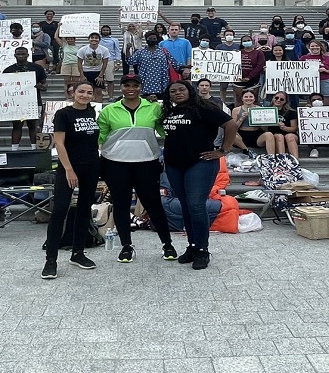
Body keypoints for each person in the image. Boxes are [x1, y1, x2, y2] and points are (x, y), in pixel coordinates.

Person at [96, 74, 178, 263]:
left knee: (154, 205)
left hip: (147, 162)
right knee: (121, 205)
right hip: (115, 163)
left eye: (135, 85)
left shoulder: (154, 108)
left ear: (141, 87)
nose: (130, 88)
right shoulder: (109, 110)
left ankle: (167, 244)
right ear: (121, 88)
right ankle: (126, 246)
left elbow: (167, 130)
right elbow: (99, 137)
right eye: (126, 85)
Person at [161, 81, 238, 270]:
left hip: (200, 162)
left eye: (181, 89)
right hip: (174, 164)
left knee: (196, 205)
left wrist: (223, 150)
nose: (177, 93)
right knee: (185, 205)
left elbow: (231, 124)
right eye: (173, 91)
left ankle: (203, 249)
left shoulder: (204, 107)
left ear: (190, 90)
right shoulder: (169, 111)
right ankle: (192, 246)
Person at [42, 81, 103, 280]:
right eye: (81, 92)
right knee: (59, 211)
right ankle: (51, 260)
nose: (85, 95)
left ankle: (78, 253)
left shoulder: (92, 113)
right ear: (73, 93)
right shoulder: (64, 114)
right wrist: (69, 169)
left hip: (91, 167)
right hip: (69, 168)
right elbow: (58, 143)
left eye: (89, 92)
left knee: (84, 209)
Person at [3, 47, 47, 150]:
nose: (21, 56)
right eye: (19, 54)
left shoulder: (37, 68)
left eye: (23, 54)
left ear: (28, 55)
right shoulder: (8, 70)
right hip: (16, 102)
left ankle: (34, 148)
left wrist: (42, 87)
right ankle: (14, 149)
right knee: (17, 125)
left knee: (33, 125)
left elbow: (44, 82)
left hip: (34, 100)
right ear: (15, 55)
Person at [129, 33, 177, 100]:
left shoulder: (163, 51)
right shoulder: (140, 52)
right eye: (150, 39)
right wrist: (127, 50)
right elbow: (130, 61)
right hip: (145, 83)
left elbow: (174, 62)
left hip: (162, 82)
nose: (152, 40)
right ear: (146, 40)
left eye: (154, 39)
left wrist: (184, 68)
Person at [259, 91, 300, 158]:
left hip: (289, 135)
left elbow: (294, 128)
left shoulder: (291, 112)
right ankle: (281, 159)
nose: (278, 100)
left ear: (285, 101)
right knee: (279, 136)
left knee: (289, 136)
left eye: (282, 99)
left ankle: (296, 161)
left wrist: (284, 127)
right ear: (273, 98)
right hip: (274, 135)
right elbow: (263, 129)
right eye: (276, 98)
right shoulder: (266, 111)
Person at [77, 33, 111, 102]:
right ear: (89, 39)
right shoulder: (82, 50)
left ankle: (98, 106)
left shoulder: (104, 50)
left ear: (99, 40)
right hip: (86, 72)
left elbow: (105, 63)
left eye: (96, 38)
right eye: (92, 37)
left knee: (98, 91)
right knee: (87, 91)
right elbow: (79, 63)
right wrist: (82, 75)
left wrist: (101, 76)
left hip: (98, 72)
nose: (94, 39)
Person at [55, 24, 81, 99]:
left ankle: (75, 96)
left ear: (74, 39)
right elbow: (56, 37)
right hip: (66, 64)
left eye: (71, 39)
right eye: (68, 39)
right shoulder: (64, 45)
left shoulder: (79, 47)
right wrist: (59, 27)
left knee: (76, 82)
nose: (70, 40)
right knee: (67, 82)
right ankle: (67, 97)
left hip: (76, 64)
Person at [98, 25, 122, 98]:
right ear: (101, 31)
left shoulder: (114, 40)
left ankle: (111, 96)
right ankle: (99, 96)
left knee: (110, 80)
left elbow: (117, 51)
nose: (105, 31)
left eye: (107, 30)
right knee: (99, 79)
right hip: (99, 61)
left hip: (110, 60)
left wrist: (118, 62)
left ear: (110, 31)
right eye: (104, 30)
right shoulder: (98, 40)